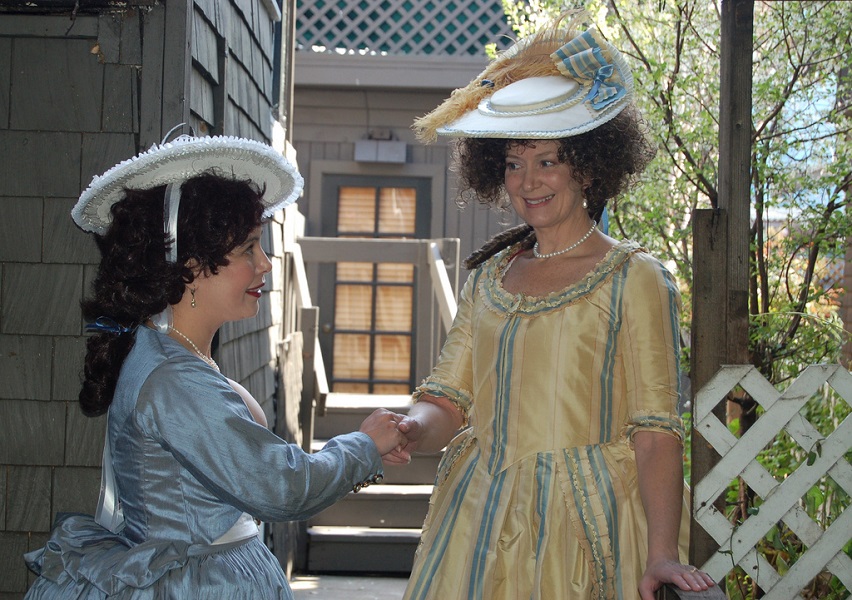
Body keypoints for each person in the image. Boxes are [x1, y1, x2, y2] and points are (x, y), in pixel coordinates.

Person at [385, 11, 717, 600]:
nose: (527, 181)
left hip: (586, 526)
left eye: (547, 160)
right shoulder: (489, 278)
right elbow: (448, 400)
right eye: (513, 162)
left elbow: (658, 431)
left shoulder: (635, 279)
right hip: (479, 523)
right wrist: (412, 426)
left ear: (588, 165)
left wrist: (662, 552)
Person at [24, 129, 405, 599]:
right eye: (247, 248)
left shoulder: (175, 351)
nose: (265, 264)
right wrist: (362, 446)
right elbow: (280, 486)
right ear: (190, 264)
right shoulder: (172, 378)